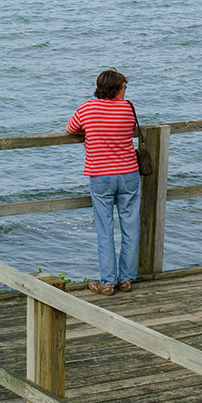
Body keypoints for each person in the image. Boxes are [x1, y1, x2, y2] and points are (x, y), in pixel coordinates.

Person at [66, 69, 140, 296]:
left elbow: (71, 128)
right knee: (130, 226)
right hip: (128, 174)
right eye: (124, 88)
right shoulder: (128, 108)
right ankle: (126, 279)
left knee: (104, 229)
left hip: (100, 176)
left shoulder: (88, 108)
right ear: (117, 90)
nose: (125, 91)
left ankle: (107, 282)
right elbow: (131, 130)